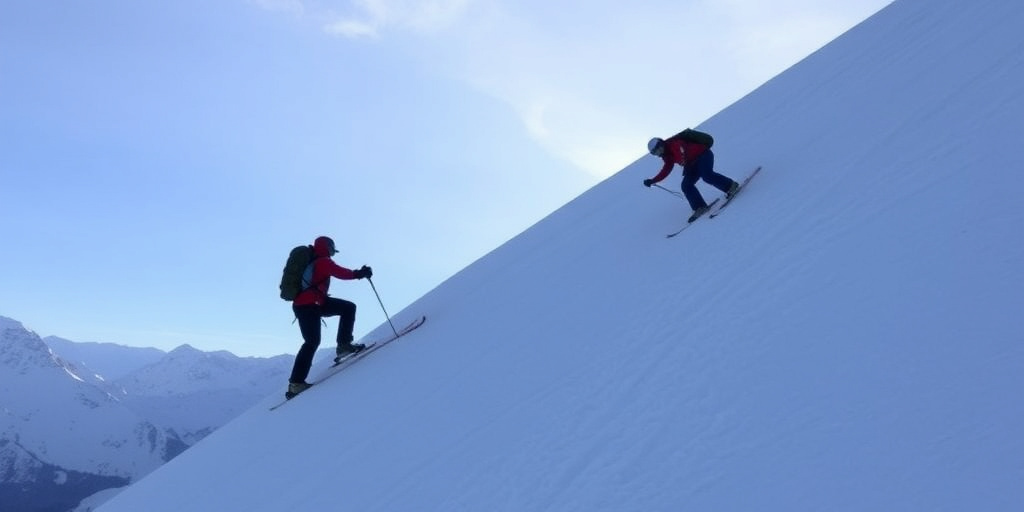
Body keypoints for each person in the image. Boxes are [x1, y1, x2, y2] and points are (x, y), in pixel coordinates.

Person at [286, 235, 373, 399]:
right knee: (312, 341)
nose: (333, 253)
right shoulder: (323, 261)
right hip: (309, 305)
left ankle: (344, 345)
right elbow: (340, 272)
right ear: (327, 248)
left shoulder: (316, 261)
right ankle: (296, 383)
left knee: (348, 308)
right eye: (332, 250)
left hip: (312, 303)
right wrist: (360, 273)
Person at [642, 131, 739, 222]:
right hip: (692, 164)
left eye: (657, 150)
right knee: (686, 185)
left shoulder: (673, 144)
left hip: (703, 155)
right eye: (655, 153)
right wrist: (653, 180)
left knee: (707, 176)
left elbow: (682, 150)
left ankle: (731, 186)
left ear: (661, 144)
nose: (658, 153)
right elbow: (666, 170)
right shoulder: (667, 157)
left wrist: (683, 156)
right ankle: (699, 207)